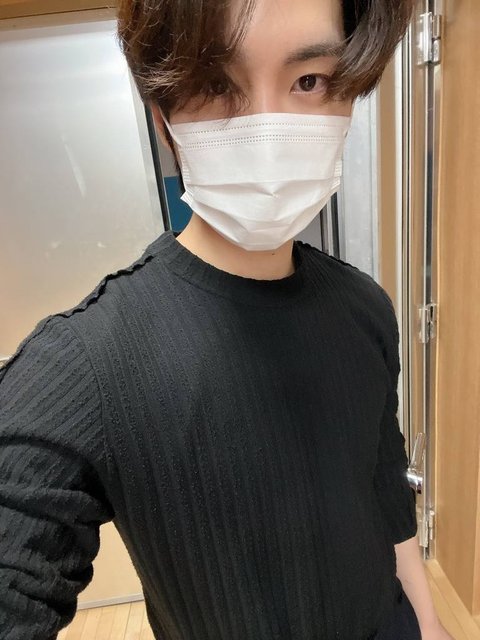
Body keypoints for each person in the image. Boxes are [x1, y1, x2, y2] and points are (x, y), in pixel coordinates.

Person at [0, 0, 455, 639]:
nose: (267, 129)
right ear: (162, 118)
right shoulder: (83, 364)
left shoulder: (365, 305)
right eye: (216, 84)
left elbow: (384, 486)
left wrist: (429, 625)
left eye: (309, 80)